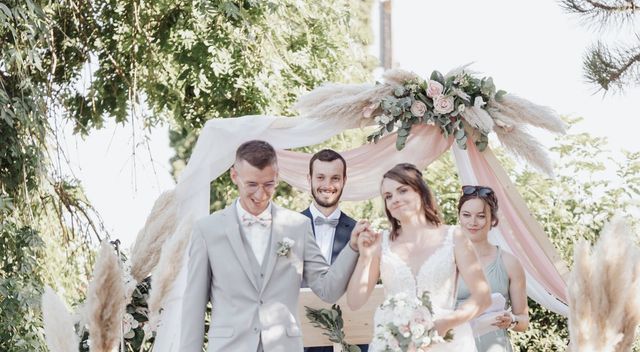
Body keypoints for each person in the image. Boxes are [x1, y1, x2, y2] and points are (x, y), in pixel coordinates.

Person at [180, 140, 368, 352]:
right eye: (252, 184)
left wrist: (352, 247)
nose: (260, 195)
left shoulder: (297, 226)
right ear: (235, 176)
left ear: (277, 177)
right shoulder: (207, 231)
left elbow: (328, 290)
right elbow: (193, 309)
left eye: (268, 184)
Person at [346, 163, 491, 352]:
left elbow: (483, 298)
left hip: (446, 342)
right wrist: (365, 258)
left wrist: (446, 323)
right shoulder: (380, 242)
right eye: (388, 196)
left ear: (421, 192)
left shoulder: (454, 237)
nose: (395, 199)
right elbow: (354, 302)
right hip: (395, 344)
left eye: (402, 190)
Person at [301, 149, 368, 352]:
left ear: (344, 180)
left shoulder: (360, 233)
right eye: (320, 177)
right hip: (297, 341)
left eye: (335, 178)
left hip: (348, 339)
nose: (327, 185)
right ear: (309, 179)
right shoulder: (286, 228)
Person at [456, 185, 529, 351]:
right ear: (459, 217)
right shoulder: (445, 259)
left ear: (493, 220)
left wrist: (511, 320)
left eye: (481, 216)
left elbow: (523, 320)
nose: (472, 222)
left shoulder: (510, 263)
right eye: (466, 215)